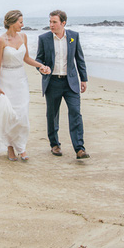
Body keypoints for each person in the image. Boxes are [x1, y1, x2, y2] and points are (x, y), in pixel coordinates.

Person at [0, 10, 51, 161]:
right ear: (11, 22)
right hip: (6, 79)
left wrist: (41, 66)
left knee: (22, 115)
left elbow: (26, 58)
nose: (23, 24)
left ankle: (21, 147)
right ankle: (10, 147)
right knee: (9, 115)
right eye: (20, 22)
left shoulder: (23, 36)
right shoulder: (1, 40)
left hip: (20, 80)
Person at [35, 10, 90, 159]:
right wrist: (42, 68)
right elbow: (38, 60)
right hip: (52, 82)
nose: (51, 25)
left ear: (63, 23)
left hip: (70, 82)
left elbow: (80, 59)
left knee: (75, 113)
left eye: (54, 22)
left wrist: (83, 79)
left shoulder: (73, 37)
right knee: (52, 115)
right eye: (50, 22)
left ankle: (79, 149)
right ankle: (55, 144)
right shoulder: (44, 38)